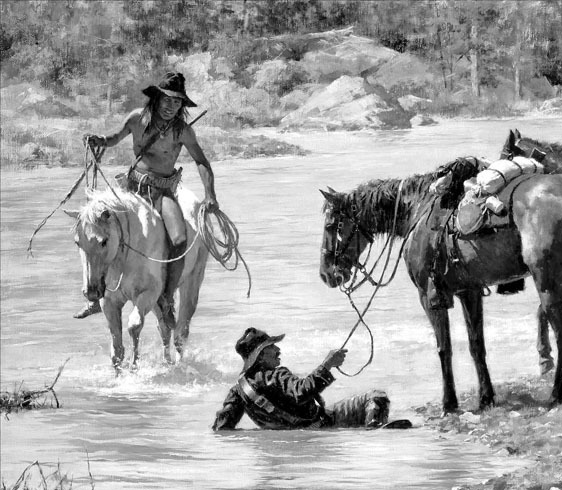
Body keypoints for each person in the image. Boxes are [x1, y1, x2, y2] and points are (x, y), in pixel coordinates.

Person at [74, 71, 217, 326]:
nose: (172, 106)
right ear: (157, 99)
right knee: (94, 230)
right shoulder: (136, 119)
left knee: (179, 238)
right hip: (131, 189)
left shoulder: (182, 131)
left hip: (162, 192)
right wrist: (98, 141)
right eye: (167, 100)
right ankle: (96, 295)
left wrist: (210, 195)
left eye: (177, 102)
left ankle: (166, 298)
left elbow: (202, 162)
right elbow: (113, 139)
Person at [212, 327, 406, 431]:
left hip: (301, 429)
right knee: (377, 396)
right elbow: (301, 391)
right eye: (272, 346)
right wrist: (327, 365)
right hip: (325, 422)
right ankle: (375, 432)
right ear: (261, 355)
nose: (278, 350)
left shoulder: (238, 391)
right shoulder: (277, 375)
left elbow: (222, 428)